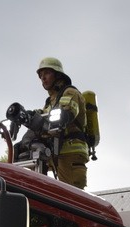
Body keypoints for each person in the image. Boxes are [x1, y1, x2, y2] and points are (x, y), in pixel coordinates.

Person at [29, 57, 89, 189]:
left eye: (47, 73)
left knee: (71, 197)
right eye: (41, 76)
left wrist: (45, 121)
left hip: (71, 152)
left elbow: (66, 114)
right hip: (56, 152)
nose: (43, 78)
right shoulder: (50, 101)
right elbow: (43, 117)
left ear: (57, 74)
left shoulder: (70, 92)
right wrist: (28, 117)